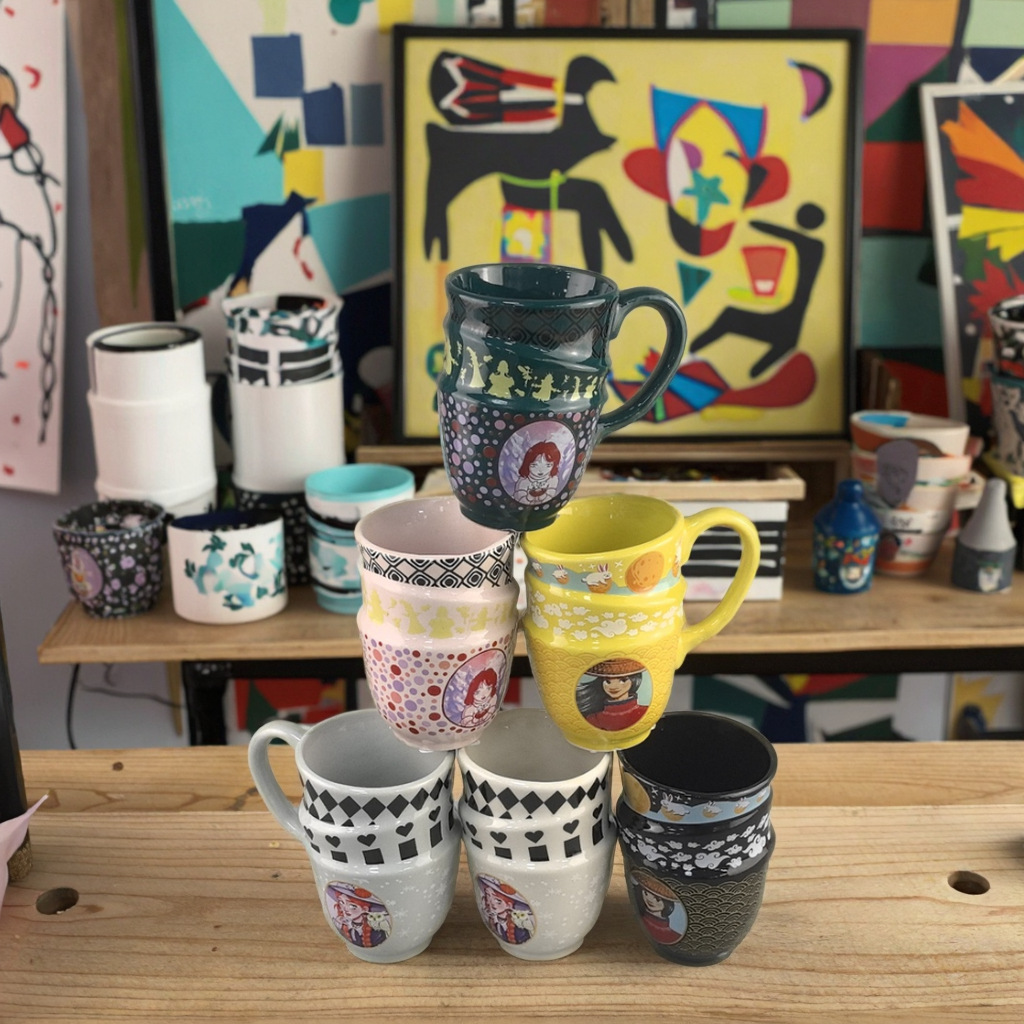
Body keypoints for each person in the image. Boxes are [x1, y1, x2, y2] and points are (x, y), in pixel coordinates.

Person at [575, 658, 648, 731]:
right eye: (607, 681)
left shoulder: (645, 713)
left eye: (623, 680)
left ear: (634, 680)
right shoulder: (593, 719)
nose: (613, 687)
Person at [512, 439, 561, 505]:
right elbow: (520, 499)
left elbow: (551, 496)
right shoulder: (523, 481)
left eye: (548, 465)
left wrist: (542, 495)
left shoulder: (553, 479)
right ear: (527, 463)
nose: (541, 470)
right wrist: (530, 496)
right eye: (534, 465)